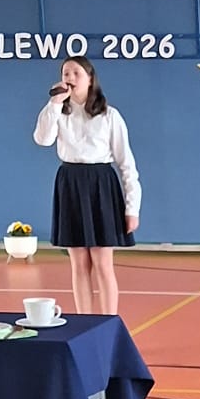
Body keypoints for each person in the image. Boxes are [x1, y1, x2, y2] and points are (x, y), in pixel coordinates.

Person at [33, 57, 140, 317]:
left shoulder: (109, 115)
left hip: (101, 184)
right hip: (70, 183)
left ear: (90, 79)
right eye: (65, 73)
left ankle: (108, 321)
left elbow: (126, 163)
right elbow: (43, 139)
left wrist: (132, 208)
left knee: (102, 262)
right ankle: (84, 321)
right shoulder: (57, 111)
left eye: (76, 73)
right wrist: (54, 104)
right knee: (79, 263)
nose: (70, 78)